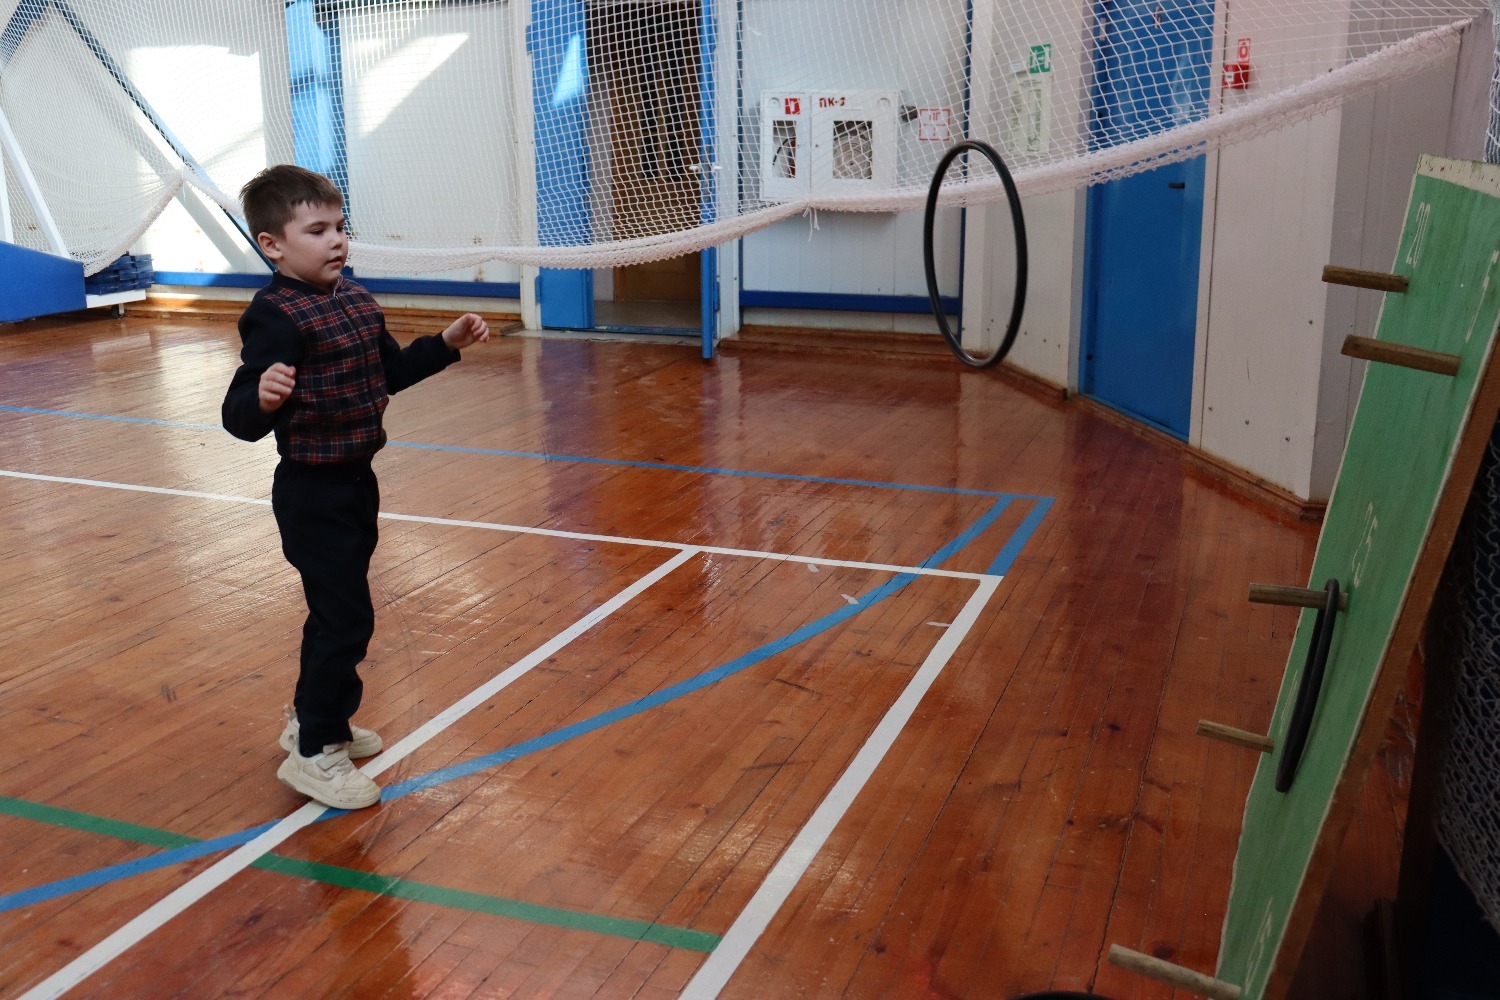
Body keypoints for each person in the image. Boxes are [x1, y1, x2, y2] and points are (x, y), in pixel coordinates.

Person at [221, 164, 489, 810]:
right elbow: (238, 418)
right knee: (345, 619)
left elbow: (388, 373)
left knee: (337, 614)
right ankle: (315, 752)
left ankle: (316, 720)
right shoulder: (274, 317)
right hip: (311, 494)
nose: (337, 240)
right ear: (273, 245)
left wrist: (445, 344)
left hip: (356, 483)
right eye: (317, 230)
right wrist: (261, 398)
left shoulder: (357, 300)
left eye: (341, 227)